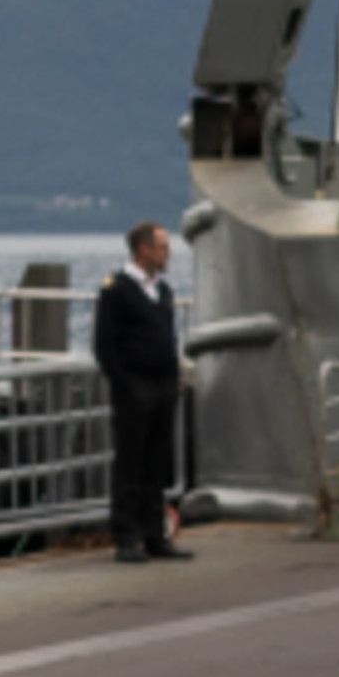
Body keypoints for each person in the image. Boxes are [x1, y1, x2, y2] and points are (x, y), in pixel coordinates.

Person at [94, 219, 189, 559]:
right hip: (135, 388)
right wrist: (126, 384)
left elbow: (168, 339)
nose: (168, 253)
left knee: (157, 463)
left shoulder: (162, 291)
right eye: (162, 247)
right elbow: (104, 346)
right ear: (144, 250)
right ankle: (127, 537)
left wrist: (173, 379)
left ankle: (155, 535)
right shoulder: (117, 290)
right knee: (130, 463)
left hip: (162, 387)